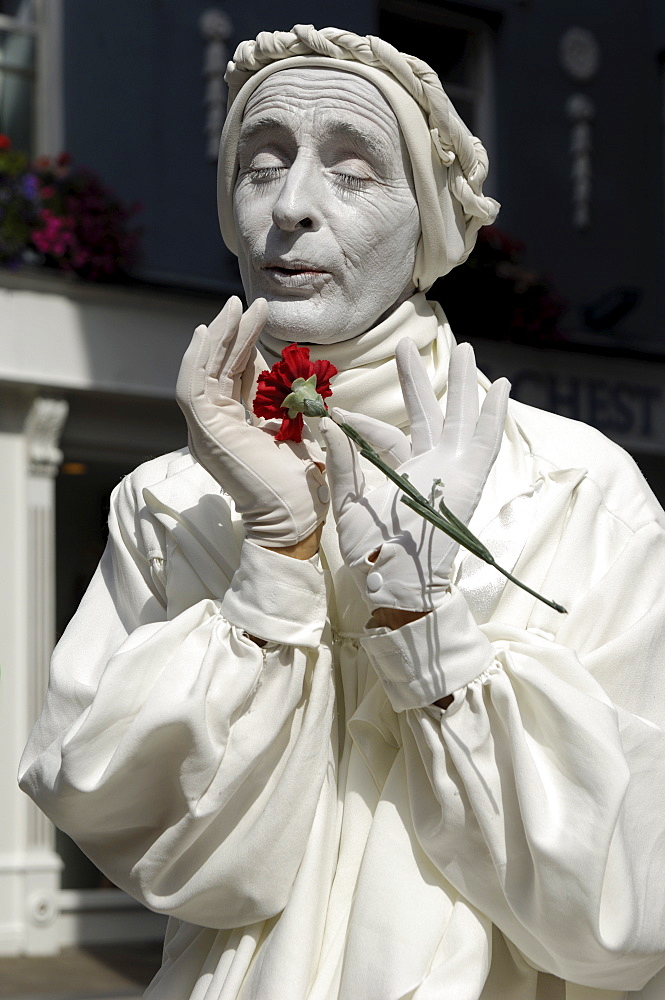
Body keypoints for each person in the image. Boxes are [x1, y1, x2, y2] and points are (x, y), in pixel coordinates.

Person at [19, 24, 665, 1000]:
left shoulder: (575, 488)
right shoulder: (169, 501)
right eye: (259, 165)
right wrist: (275, 559)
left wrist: (428, 636)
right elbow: (170, 849)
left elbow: (620, 916)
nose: (288, 208)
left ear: (429, 224)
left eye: (353, 172)